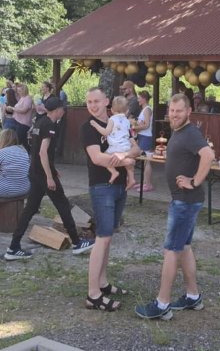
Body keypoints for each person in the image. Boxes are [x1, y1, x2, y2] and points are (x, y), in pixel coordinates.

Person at [135, 93, 214, 320]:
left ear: (188, 112)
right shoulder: (179, 132)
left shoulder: (190, 133)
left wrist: (194, 181)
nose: (174, 114)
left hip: (185, 201)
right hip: (183, 200)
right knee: (184, 247)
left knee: (171, 250)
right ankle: (193, 296)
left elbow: (208, 155)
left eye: (179, 111)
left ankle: (162, 305)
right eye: (171, 110)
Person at [5, 97, 95, 260]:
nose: (64, 111)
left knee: (30, 209)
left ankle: (13, 247)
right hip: (42, 175)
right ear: (57, 110)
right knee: (63, 205)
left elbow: (37, 150)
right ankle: (76, 243)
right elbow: (42, 152)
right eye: (63, 108)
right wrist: (49, 176)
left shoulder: (40, 122)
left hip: (35, 172)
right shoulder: (50, 125)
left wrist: (52, 169)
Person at [82, 87, 140, 312]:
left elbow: (136, 148)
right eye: (89, 102)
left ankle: (103, 282)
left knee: (108, 236)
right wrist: (126, 160)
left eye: (96, 101)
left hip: (119, 186)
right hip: (101, 186)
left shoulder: (119, 121)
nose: (92, 105)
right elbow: (97, 158)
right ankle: (93, 294)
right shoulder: (88, 127)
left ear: (106, 101)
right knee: (102, 237)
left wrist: (124, 156)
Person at [88, 95, 136, 187]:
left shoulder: (112, 119)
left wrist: (95, 125)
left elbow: (105, 132)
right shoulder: (127, 121)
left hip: (115, 147)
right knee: (128, 164)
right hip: (126, 146)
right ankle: (131, 178)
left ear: (112, 110)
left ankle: (113, 172)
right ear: (127, 111)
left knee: (104, 158)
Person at [132, 90, 155, 192]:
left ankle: (148, 184)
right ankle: (144, 182)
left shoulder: (147, 109)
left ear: (144, 99)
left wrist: (135, 128)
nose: (138, 100)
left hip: (146, 137)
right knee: (143, 161)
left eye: (139, 98)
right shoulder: (144, 109)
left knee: (146, 161)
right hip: (142, 136)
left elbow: (147, 125)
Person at [12, 83, 34, 148]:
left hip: (23, 123)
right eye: (18, 91)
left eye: (20, 91)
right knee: (18, 140)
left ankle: (25, 152)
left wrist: (13, 109)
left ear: (24, 91)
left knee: (22, 141)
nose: (18, 92)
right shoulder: (22, 98)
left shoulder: (28, 98)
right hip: (18, 121)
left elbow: (24, 110)